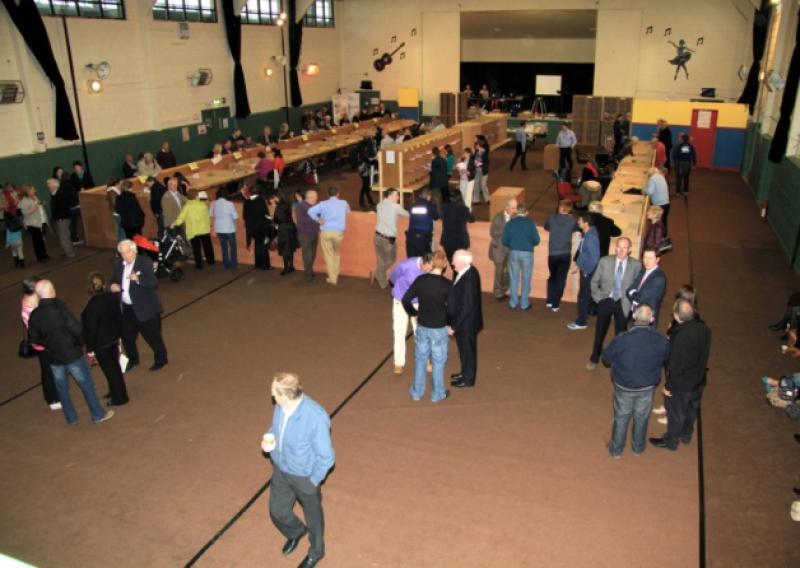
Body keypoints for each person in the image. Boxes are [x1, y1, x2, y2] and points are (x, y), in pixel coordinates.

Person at [261, 372, 335, 568]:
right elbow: (275, 429)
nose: (272, 397)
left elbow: (327, 457)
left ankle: (316, 552)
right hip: (281, 469)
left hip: (304, 477)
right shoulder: (281, 407)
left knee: (314, 520)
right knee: (277, 511)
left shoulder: (316, 417)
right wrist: (270, 438)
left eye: (274, 394)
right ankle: (295, 531)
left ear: (285, 396)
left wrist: (314, 480)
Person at [28, 279, 114, 426]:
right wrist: (82, 344)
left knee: (62, 389)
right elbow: (77, 329)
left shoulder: (35, 315)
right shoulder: (60, 309)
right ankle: (98, 414)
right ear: (50, 291)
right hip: (72, 354)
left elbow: (34, 340)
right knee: (86, 384)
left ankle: (71, 418)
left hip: (53, 358)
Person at [602, 304, 669, 458]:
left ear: (633, 316)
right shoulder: (660, 340)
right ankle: (638, 448)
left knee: (621, 417)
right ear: (652, 319)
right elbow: (666, 357)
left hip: (624, 386)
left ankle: (616, 450)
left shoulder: (622, 339)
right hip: (647, 386)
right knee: (642, 417)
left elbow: (606, 358)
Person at [649, 299, 711, 451]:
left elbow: (676, 366)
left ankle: (671, 441)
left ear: (677, 316)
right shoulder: (704, 328)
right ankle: (686, 434)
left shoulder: (681, 337)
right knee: (691, 409)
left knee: (676, 412)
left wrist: (668, 387)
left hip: (683, 384)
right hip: (699, 379)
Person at [402, 250, 454, 403]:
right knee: (438, 361)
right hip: (439, 328)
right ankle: (437, 393)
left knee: (420, 359)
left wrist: (413, 313)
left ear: (431, 263)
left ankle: (416, 392)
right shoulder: (447, 285)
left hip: (422, 325)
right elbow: (451, 309)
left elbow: (406, 299)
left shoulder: (421, 280)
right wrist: (449, 323)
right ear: (444, 265)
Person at [111, 239, 168, 372]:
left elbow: (153, 282)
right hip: (127, 309)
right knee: (127, 337)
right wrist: (113, 285)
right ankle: (133, 359)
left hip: (146, 308)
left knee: (153, 337)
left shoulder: (144, 263)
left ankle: (161, 359)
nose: (126, 255)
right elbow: (113, 280)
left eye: (128, 252)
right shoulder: (118, 265)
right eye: (123, 253)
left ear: (134, 250)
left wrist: (138, 280)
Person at [586, 237, 642, 371]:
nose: (621, 251)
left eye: (625, 248)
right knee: (600, 332)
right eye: (619, 247)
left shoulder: (636, 265)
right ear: (615, 248)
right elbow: (594, 282)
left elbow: (638, 287)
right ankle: (594, 358)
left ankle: (617, 360)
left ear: (629, 250)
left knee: (621, 335)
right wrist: (599, 299)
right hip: (606, 300)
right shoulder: (605, 262)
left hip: (624, 302)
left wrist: (633, 304)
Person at [81, 272, 128, 407]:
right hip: (113, 338)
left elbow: (90, 330)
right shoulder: (111, 297)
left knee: (110, 370)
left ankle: (120, 397)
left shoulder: (91, 307)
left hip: (101, 344)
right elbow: (118, 317)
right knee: (114, 367)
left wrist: (90, 349)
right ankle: (114, 391)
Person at [389, 253, 434, 374]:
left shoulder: (430, 269)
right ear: (423, 262)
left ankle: (424, 361)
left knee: (421, 333)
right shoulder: (405, 265)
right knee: (399, 332)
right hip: (401, 300)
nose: (430, 271)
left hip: (419, 302)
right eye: (428, 268)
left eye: (432, 268)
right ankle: (398, 363)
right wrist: (401, 290)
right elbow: (393, 277)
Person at [21, 276, 60, 410]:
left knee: (50, 368)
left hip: (42, 342)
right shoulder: (31, 309)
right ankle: (52, 398)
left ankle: (54, 393)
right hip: (43, 344)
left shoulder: (29, 300)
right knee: (48, 370)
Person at [450, 250, 483, 388]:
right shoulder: (469, 271)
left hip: (466, 323)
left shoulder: (468, 278)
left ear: (464, 262)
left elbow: (466, 306)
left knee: (468, 351)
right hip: (467, 321)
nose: (452, 264)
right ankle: (464, 373)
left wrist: (454, 326)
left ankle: (468, 379)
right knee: (464, 350)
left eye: (455, 261)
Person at [308, 187, 350, 285]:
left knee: (328, 255)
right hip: (338, 233)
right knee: (336, 254)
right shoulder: (344, 203)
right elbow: (348, 212)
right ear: (338, 194)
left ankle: (332, 278)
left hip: (326, 231)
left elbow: (310, 211)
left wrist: (318, 219)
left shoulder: (323, 204)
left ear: (328, 194)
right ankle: (335, 274)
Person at [502, 204, 540, 311]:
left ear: (516, 212)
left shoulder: (510, 223)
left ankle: (513, 302)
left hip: (513, 252)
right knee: (526, 278)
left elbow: (504, 240)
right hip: (527, 253)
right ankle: (524, 303)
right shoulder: (530, 223)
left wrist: (513, 245)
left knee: (513, 278)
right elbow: (537, 240)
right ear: (526, 212)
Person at [567, 213, 600, 330]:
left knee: (583, 297)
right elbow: (585, 253)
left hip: (588, 272)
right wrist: (578, 265)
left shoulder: (590, 237)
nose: (578, 222)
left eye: (580, 220)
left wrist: (586, 270)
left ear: (586, 223)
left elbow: (594, 257)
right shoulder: (589, 233)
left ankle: (581, 322)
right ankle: (582, 319)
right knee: (583, 296)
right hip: (586, 269)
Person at [544, 200, 577, 312]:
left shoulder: (551, 218)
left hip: (552, 254)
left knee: (552, 277)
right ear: (569, 209)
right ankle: (556, 303)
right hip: (565, 254)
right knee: (561, 279)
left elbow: (546, 227)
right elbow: (577, 229)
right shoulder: (571, 221)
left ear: (559, 207)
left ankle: (549, 300)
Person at [373, 188, 409, 289]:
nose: (398, 197)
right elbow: (407, 214)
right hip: (388, 239)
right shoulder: (396, 207)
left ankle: (382, 282)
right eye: (396, 195)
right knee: (391, 259)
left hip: (377, 236)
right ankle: (378, 273)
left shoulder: (379, 205)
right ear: (390, 195)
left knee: (381, 260)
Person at [172, 189, 215, 270]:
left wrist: (174, 223)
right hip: (204, 229)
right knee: (208, 246)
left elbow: (181, 218)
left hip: (194, 230)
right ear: (196, 196)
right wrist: (210, 224)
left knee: (196, 249)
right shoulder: (203, 204)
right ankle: (211, 261)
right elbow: (207, 216)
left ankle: (199, 265)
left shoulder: (187, 206)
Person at [627, 247, 667, 327]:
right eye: (645, 257)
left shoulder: (659, 278)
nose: (647, 261)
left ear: (657, 259)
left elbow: (642, 297)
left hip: (645, 319)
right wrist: (634, 293)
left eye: (650, 258)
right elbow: (629, 290)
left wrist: (633, 294)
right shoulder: (643, 271)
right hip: (634, 313)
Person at [489, 198, 516, 301]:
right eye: (513, 208)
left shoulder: (515, 217)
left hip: (510, 250)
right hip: (499, 250)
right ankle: (498, 292)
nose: (515, 210)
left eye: (515, 207)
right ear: (507, 207)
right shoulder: (497, 218)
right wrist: (505, 227)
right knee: (499, 273)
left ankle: (503, 289)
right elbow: (493, 233)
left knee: (510, 271)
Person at [243, 185, 272, 271]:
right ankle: (265, 265)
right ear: (259, 192)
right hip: (261, 227)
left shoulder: (247, 202)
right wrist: (271, 219)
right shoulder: (261, 200)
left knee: (257, 245)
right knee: (263, 246)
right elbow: (265, 214)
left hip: (252, 228)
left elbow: (244, 216)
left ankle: (258, 264)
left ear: (251, 192)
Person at [440, 191, 474, 265]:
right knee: (461, 264)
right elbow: (472, 219)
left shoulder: (444, 207)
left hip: (447, 241)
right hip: (461, 241)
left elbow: (440, 217)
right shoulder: (464, 208)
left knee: (452, 263)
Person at [209, 188, 239, 270]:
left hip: (219, 229)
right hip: (229, 229)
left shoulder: (213, 203)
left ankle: (226, 264)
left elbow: (210, 214)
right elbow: (235, 216)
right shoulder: (229, 204)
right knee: (233, 247)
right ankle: (234, 264)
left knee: (224, 247)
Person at [19, 185, 49, 262]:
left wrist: (41, 203)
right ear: (28, 191)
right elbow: (24, 212)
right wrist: (35, 208)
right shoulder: (24, 201)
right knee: (37, 240)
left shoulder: (35, 197)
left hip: (39, 221)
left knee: (41, 240)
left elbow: (38, 204)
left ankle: (45, 255)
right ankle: (40, 257)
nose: (35, 191)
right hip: (32, 224)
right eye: (33, 189)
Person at [46, 177, 75, 258]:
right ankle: (68, 252)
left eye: (49, 185)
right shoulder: (55, 194)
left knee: (63, 237)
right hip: (61, 218)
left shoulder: (60, 194)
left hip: (62, 219)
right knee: (65, 235)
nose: (48, 187)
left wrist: (59, 218)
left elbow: (63, 208)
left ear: (54, 186)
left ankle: (70, 254)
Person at [405, 188, 438, 258]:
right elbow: (436, 217)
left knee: (412, 261)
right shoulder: (430, 206)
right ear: (429, 197)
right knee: (428, 260)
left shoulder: (412, 205)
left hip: (411, 237)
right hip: (423, 238)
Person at [296, 189, 319, 281]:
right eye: (315, 196)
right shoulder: (301, 206)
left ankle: (310, 270)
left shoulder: (316, 205)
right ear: (310, 197)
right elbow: (302, 220)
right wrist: (317, 219)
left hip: (314, 233)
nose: (317, 198)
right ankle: (308, 274)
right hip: (304, 234)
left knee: (313, 254)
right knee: (307, 255)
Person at [275, 193, 298, 276]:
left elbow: (278, 219)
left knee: (284, 249)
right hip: (290, 228)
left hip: (283, 229)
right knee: (290, 248)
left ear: (279, 197)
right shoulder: (287, 205)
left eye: (275, 197)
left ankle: (286, 268)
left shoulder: (280, 207)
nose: (274, 199)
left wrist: (273, 220)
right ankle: (291, 266)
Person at [643, 166, 670, 236]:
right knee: (664, 221)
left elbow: (650, 191)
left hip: (659, 204)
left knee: (656, 223)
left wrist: (643, 190)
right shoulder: (661, 176)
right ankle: (664, 236)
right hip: (666, 203)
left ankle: (657, 239)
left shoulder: (652, 179)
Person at [2, 186, 25, 267]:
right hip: (19, 241)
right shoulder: (17, 224)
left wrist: (7, 244)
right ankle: (22, 263)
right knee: (20, 251)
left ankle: (16, 262)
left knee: (14, 252)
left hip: (12, 242)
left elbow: (8, 238)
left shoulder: (8, 228)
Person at [672, 132, 697, 197]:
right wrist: (694, 164)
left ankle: (678, 192)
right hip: (688, 163)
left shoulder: (680, 146)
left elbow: (676, 155)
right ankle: (686, 191)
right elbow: (694, 156)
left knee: (679, 178)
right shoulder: (691, 146)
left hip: (681, 163)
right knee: (686, 177)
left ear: (682, 139)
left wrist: (675, 161)